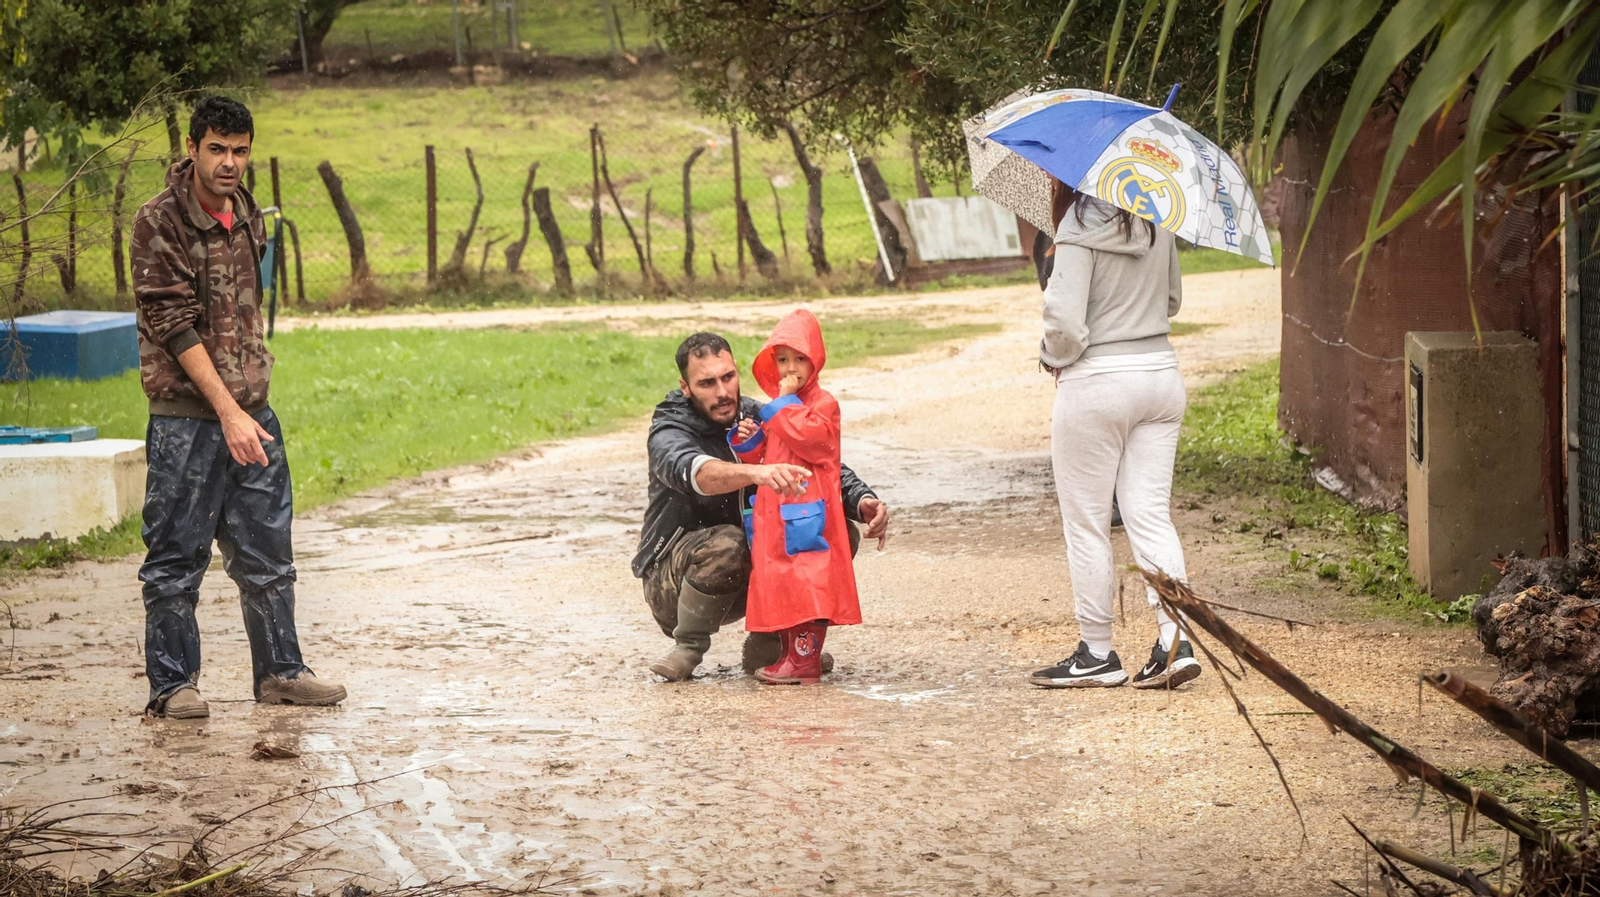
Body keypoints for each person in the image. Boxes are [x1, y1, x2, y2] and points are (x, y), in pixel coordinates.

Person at [132, 96, 346, 718]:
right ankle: (173, 686)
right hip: (187, 420)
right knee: (175, 556)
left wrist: (247, 405)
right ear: (194, 148)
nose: (230, 163)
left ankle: (280, 672)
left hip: (253, 410)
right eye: (218, 149)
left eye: (241, 150)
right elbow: (173, 324)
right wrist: (226, 412)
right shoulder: (159, 221)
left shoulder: (247, 212)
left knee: (268, 553)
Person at [636, 332, 889, 681]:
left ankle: (776, 642)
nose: (722, 392)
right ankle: (688, 648)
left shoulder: (759, 413)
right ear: (686, 387)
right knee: (729, 543)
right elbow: (701, 474)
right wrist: (759, 471)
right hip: (674, 582)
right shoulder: (668, 430)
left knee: (831, 529)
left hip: (754, 566)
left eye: (728, 377)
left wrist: (863, 500)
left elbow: (819, 465)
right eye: (707, 383)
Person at [1029, 181, 1201, 690]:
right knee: (1149, 513)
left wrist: (1052, 356)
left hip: (1097, 382)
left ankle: (1097, 653)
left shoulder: (1078, 223)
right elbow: (1170, 299)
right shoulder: (1157, 217)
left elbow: (1063, 320)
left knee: (1086, 523)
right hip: (1160, 377)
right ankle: (1175, 640)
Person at [728, 310, 860, 685]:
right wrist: (749, 439)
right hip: (776, 510)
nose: (790, 368)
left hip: (808, 511)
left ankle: (804, 660)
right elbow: (769, 456)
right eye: (782, 359)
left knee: (809, 581)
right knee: (783, 582)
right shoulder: (778, 406)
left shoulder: (823, 405)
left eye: (799, 358)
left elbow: (812, 441)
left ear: (815, 358)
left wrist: (782, 404)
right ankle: (790, 653)